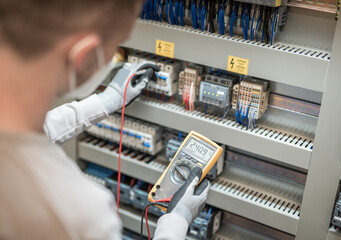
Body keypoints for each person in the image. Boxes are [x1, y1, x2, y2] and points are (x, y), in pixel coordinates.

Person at [0, 1, 210, 240]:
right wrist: (176, 221)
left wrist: (105, 101)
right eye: (114, 48)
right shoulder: (79, 216)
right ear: (84, 56)